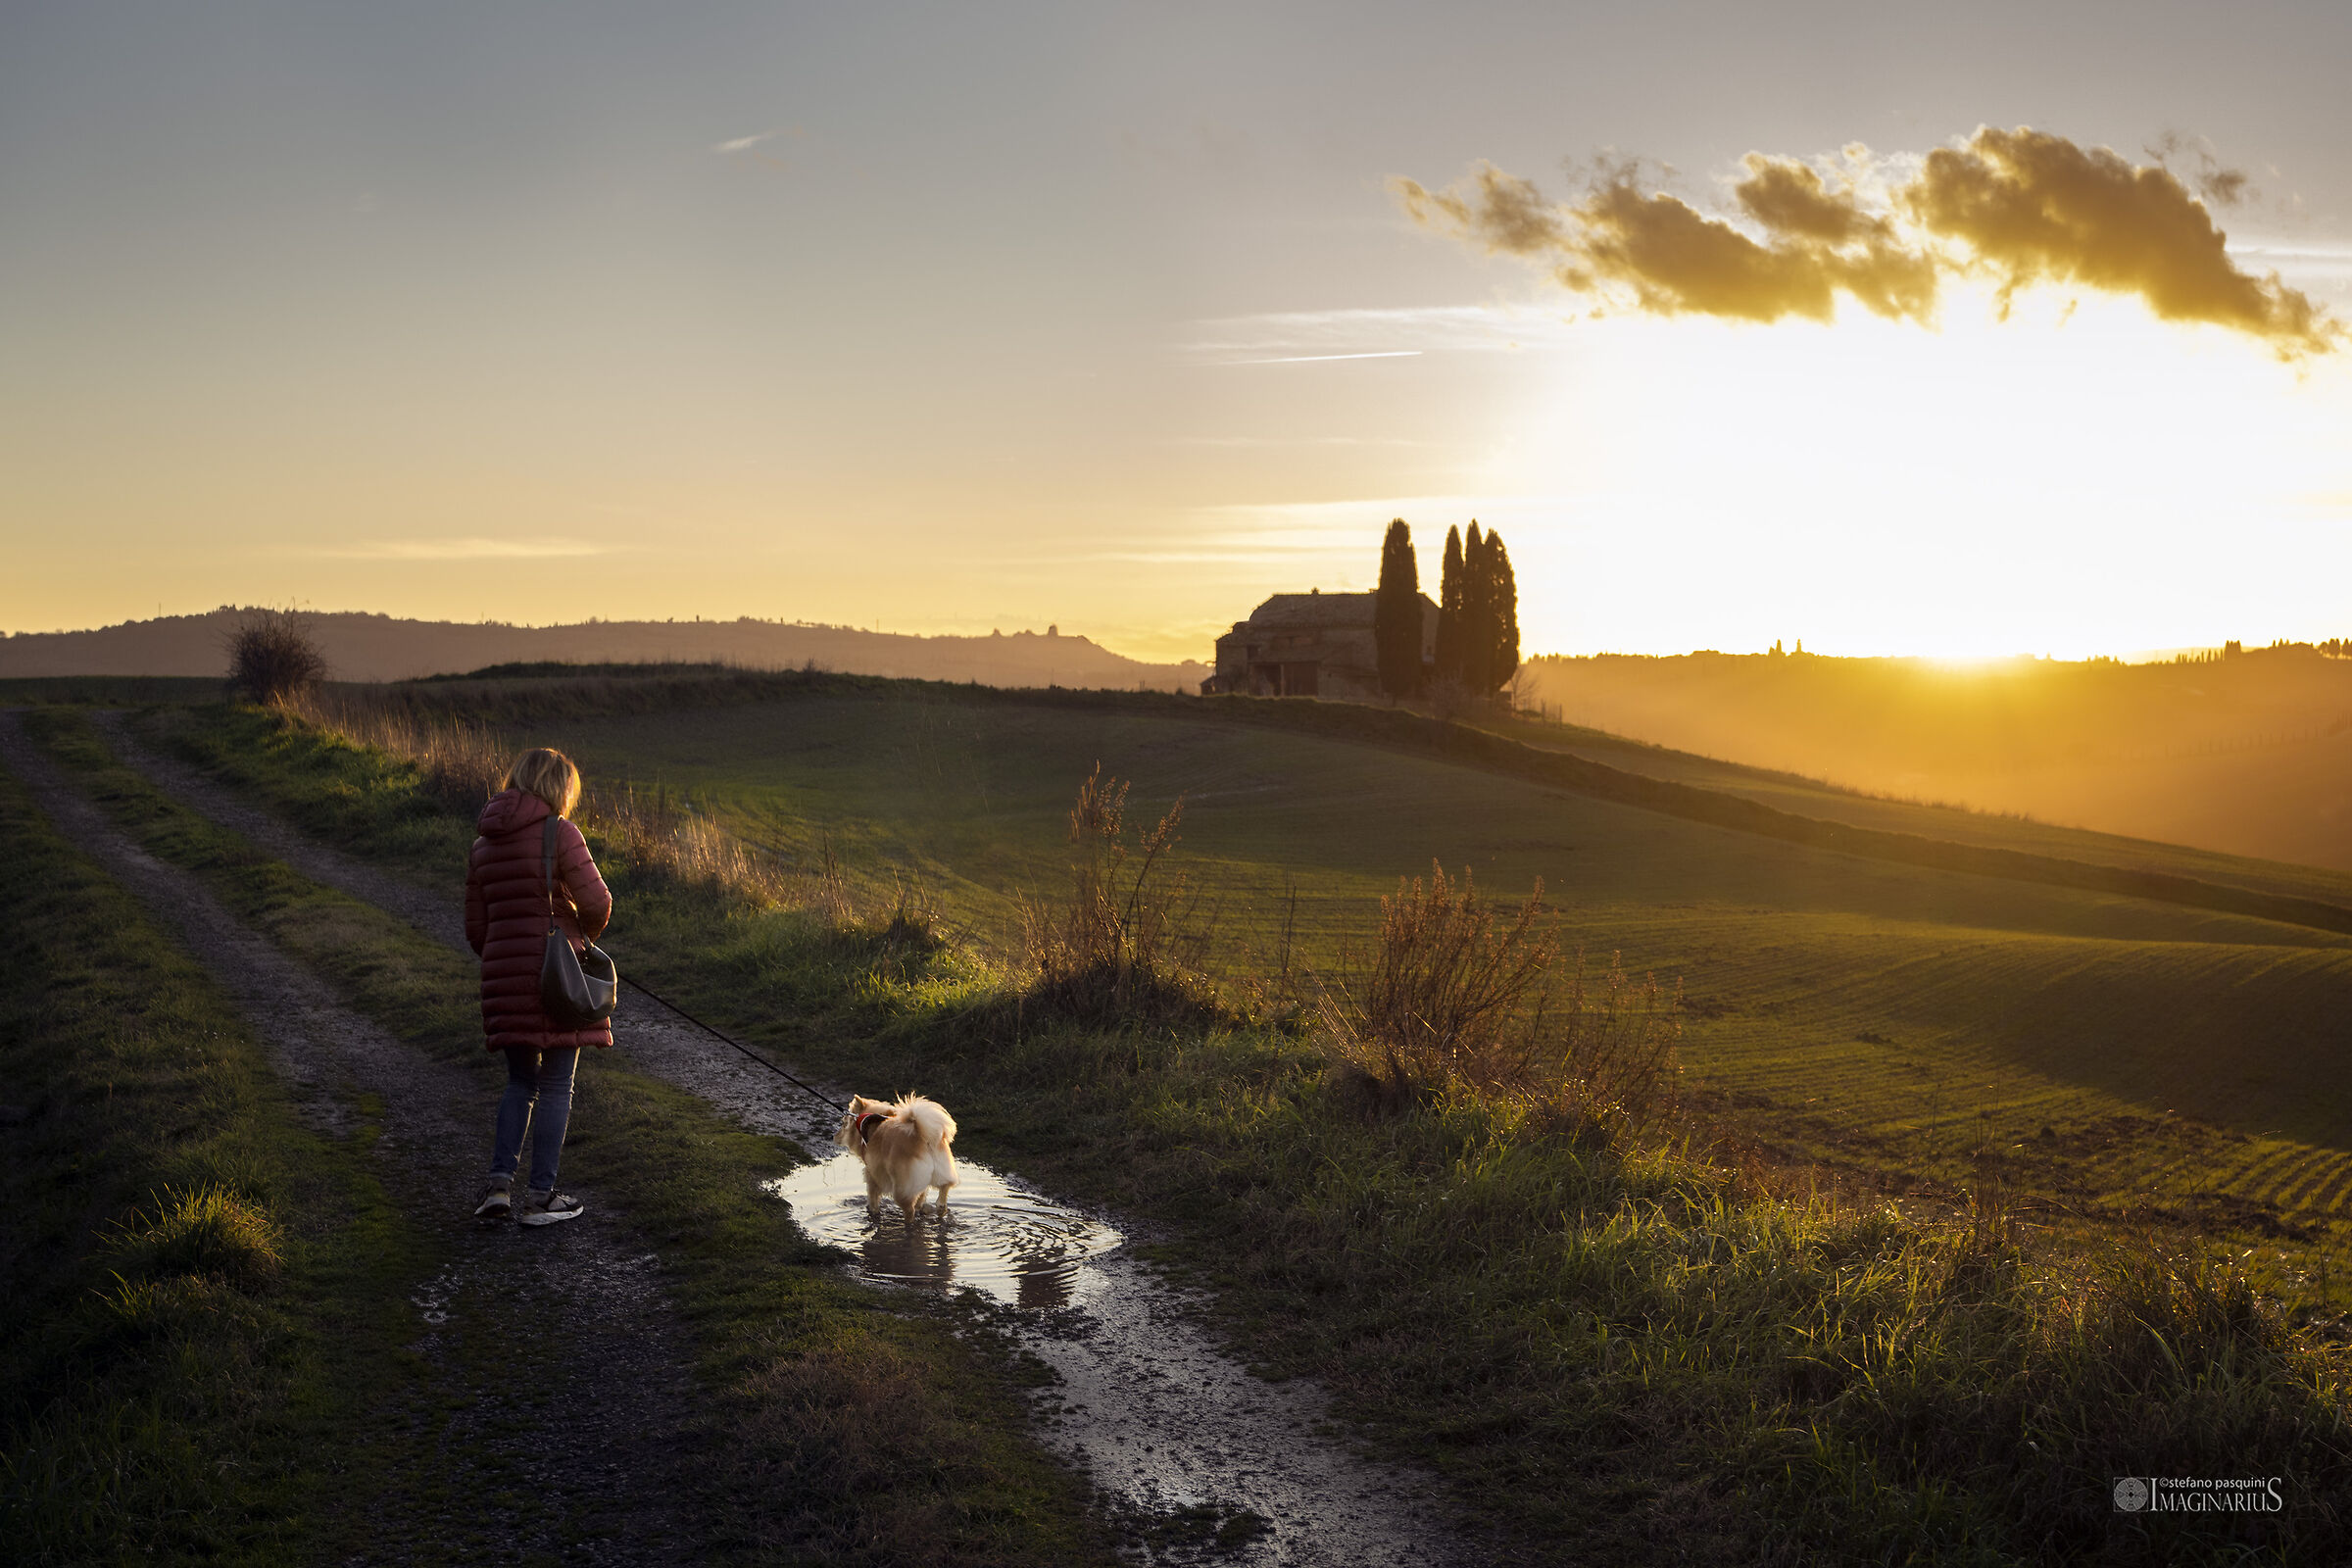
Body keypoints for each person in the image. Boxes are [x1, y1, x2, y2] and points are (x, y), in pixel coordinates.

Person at [466, 747, 612, 1225]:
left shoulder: (483, 844)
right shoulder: (560, 832)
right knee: (556, 1085)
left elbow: (476, 929)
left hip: (503, 977)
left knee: (519, 1082)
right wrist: (580, 937)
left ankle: (497, 1189)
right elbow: (596, 900)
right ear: (558, 787)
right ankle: (542, 1197)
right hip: (556, 975)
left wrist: (507, 950)